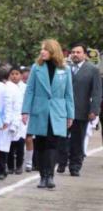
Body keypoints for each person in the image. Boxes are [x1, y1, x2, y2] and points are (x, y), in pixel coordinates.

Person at [21, 39, 74, 190]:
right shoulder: (37, 67)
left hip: (57, 111)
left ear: (53, 51)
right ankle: (42, 176)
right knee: (40, 144)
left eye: (45, 49)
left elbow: (69, 94)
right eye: (41, 49)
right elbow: (29, 90)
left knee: (53, 143)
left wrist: (70, 115)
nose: (42, 52)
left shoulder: (65, 69)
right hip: (40, 109)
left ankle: (49, 175)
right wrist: (25, 111)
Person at [57, 43, 101, 176]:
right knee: (61, 138)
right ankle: (62, 162)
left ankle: (75, 166)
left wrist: (94, 110)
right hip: (63, 110)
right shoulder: (64, 68)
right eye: (73, 52)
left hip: (81, 110)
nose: (75, 54)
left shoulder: (92, 69)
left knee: (77, 140)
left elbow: (97, 92)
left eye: (78, 52)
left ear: (84, 55)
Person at [6, 66, 27, 174]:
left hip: (22, 118)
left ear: (21, 75)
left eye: (17, 74)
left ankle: (19, 165)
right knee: (9, 144)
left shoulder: (25, 87)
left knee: (20, 143)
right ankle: (10, 166)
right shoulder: (6, 87)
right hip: (10, 117)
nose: (14, 76)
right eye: (12, 74)